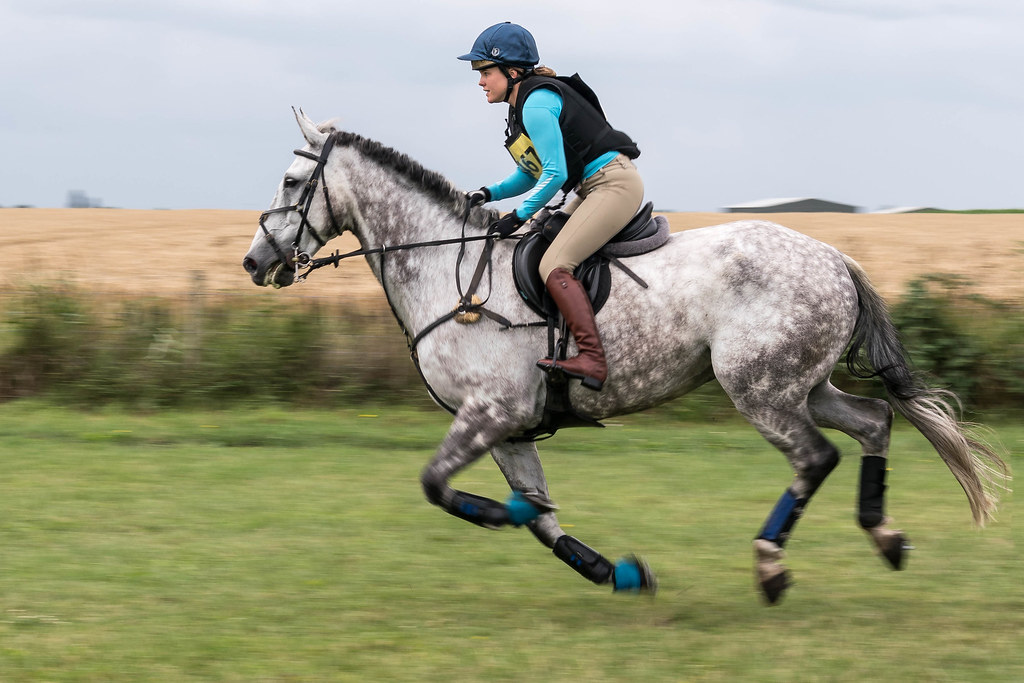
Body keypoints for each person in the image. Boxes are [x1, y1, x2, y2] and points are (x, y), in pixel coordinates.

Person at [459, 22, 644, 392]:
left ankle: (592, 358)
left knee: (554, 264)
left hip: (612, 185)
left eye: (485, 71)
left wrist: (518, 216)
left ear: (512, 72)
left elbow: (555, 173)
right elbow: (531, 172)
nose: (480, 81)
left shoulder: (536, 103)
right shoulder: (522, 105)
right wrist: (488, 193)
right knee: (541, 240)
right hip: (595, 187)